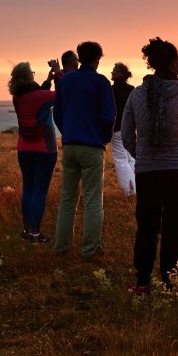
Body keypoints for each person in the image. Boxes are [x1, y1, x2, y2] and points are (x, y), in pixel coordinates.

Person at [122, 39, 178, 293]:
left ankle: (142, 282)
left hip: (148, 172)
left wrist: (143, 155)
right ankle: (170, 283)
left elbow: (127, 135)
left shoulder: (137, 94)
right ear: (174, 63)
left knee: (146, 226)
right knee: (175, 227)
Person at [52, 41, 116, 258]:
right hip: (92, 146)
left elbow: (57, 113)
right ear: (97, 59)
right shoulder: (100, 82)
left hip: (70, 145)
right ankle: (90, 249)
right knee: (92, 199)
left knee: (68, 198)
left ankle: (61, 246)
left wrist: (67, 132)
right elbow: (109, 116)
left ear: (79, 57)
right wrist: (104, 138)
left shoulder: (66, 82)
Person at [9, 62, 58, 242]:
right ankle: (36, 233)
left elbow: (38, 96)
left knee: (28, 189)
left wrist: (48, 80)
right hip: (45, 149)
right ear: (29, 76)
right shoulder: (40, 97)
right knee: (39, 191)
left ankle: (26, 230)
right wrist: (58, 75)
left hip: (24, 149)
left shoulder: (17, 97)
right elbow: (60, 96)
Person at [110, 62, 137, 197]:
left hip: (118, 128)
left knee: (120, 159)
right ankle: (137, 187)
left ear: (120, 73)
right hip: (131, 128)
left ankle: (129, 191)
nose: (112, 72)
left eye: (114, 70)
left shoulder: (111, 90)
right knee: (131, 158)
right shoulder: (132, 89)